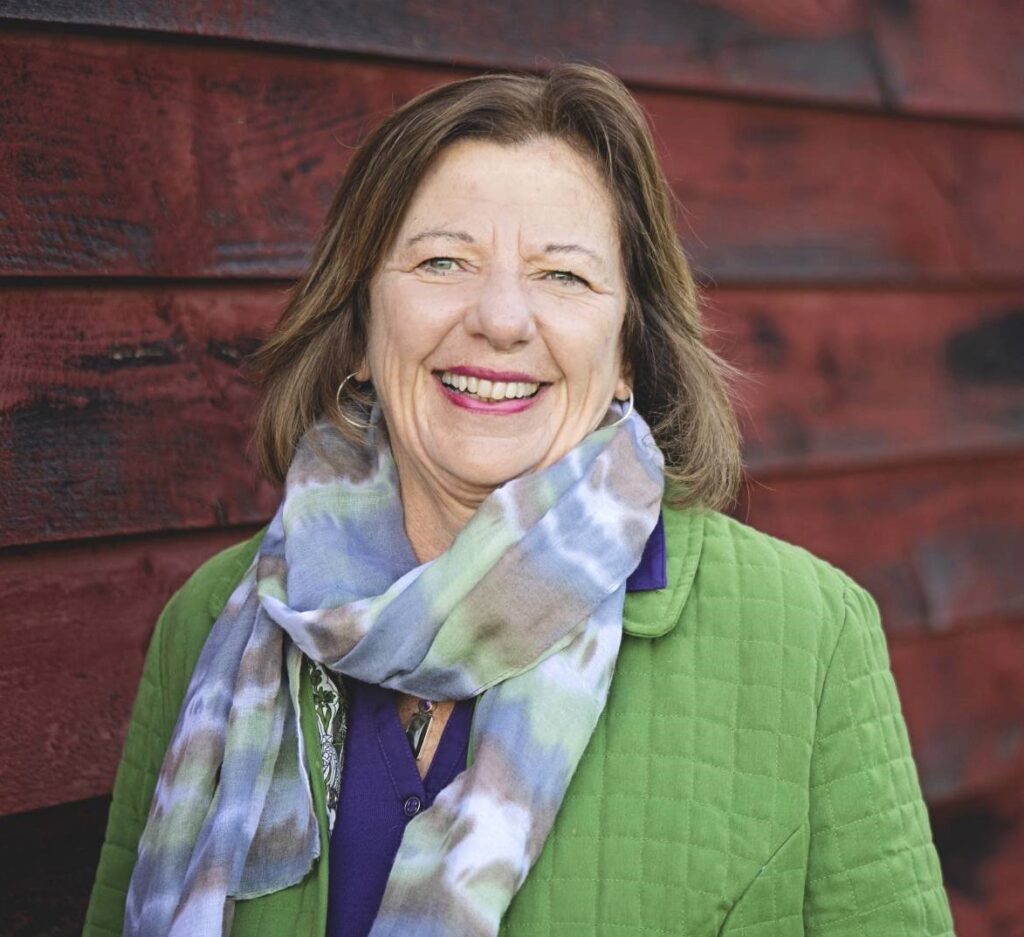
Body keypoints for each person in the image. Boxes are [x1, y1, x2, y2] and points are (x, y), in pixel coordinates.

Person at [84, 65, 954, 937]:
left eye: (563, 276)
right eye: (442, 261)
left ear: (625, 354)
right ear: (359, 326)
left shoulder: (808, 638)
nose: (500, 318)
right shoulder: (210, 623)